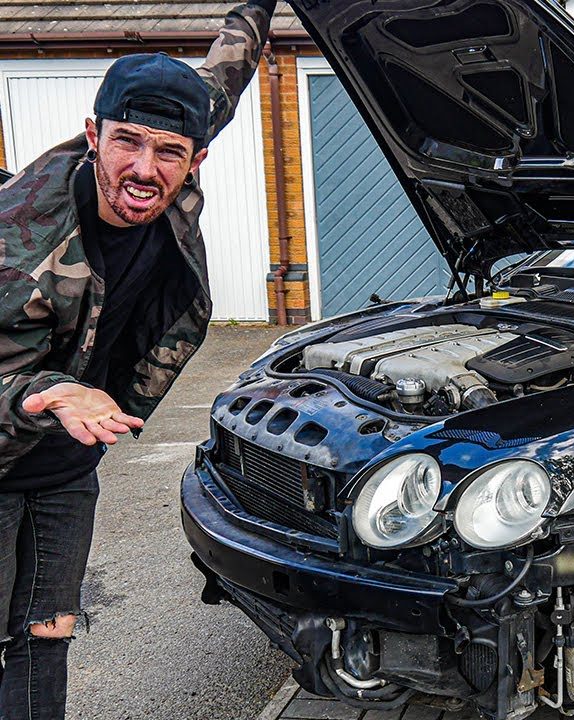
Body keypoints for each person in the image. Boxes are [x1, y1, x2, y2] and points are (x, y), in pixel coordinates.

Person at [0, 1, 276, 716]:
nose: (144, 169)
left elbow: (228, 69)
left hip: (64, 468)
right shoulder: (17, 244)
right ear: (94, 135)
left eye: (169, 151)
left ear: (197, 155)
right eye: (126, 142)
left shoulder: (182, 132)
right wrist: (48, 394)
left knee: (45, 633)